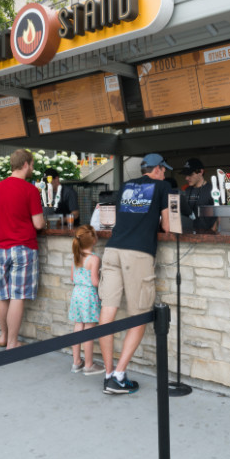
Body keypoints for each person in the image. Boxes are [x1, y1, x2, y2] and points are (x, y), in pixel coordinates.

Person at [98, 153, 172, 395]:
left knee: (107, 312)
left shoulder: (126, 186)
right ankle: (118, 377)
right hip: (137, 254)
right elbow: (168, 226)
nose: (165, 174)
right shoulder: (163, 187)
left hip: (112, 250)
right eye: (164, 169)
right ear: (157, 169)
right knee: (139, 315)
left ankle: (108, 373)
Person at [0, 149, 44, 349]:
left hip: (2, 247)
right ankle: (13, 343)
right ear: (25, 164)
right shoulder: (30, 190)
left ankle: (3, 337)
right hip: (23, 247)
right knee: (18, 296)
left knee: (4, 295)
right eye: (32, 164)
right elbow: (38, 224)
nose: (32, 168)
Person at [68, 225, 104, 375]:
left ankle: (76, 362)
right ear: (94, 240)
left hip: (77, 293)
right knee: (89, 328)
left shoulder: (76, 256)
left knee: (78, 326)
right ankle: (89, 365)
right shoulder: (94, 259)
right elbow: (95, 282)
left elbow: (72, 278)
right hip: (88, 295)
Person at [179, 157, 217, 232]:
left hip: (207, 235)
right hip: (188, 233)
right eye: (186, 175)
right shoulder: (186, 190)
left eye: (190, 174)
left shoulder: (213, 190)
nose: (186, 178)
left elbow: (221, 214)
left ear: (201, 172)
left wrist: (213, 230)